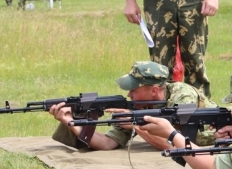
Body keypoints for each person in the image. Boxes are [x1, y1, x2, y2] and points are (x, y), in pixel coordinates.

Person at [49, 61, 215, 151]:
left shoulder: (183, 96)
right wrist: (71, 123)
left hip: (213, 134)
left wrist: (136, 126)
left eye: (134, 90)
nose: (129, 95)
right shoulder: (138, 106)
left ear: (154, 90)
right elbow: (107, 143)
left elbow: (174, 144)